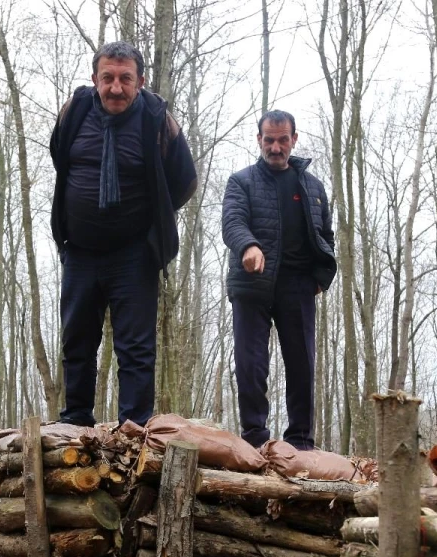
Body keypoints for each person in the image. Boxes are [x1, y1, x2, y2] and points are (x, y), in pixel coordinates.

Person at [49, 41, 198, 427]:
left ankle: (132, 429)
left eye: (125, 79)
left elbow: (183, 180)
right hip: (80, 251)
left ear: (141, 81)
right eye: (108, 78)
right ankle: (74, 422)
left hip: (134, 255)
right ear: (95, 79)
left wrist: (151, 224)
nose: (116, 88)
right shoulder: (75, 112)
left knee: (135, 349)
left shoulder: (156, 118)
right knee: (77, 342)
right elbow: (59, 157)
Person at [221, 110, 337, 450]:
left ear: (294, 139)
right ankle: (255, 439)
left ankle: (300, 440)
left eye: (282, 140)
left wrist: (321, 276)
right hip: (252, 281)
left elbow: (325, 235)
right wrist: (249, 246)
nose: (275, 147)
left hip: (298, 285)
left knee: (302, 364)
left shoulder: (313, 187)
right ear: (259, 140)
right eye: (268, 140)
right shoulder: (241, 181)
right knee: (251, 364)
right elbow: (233, 221)